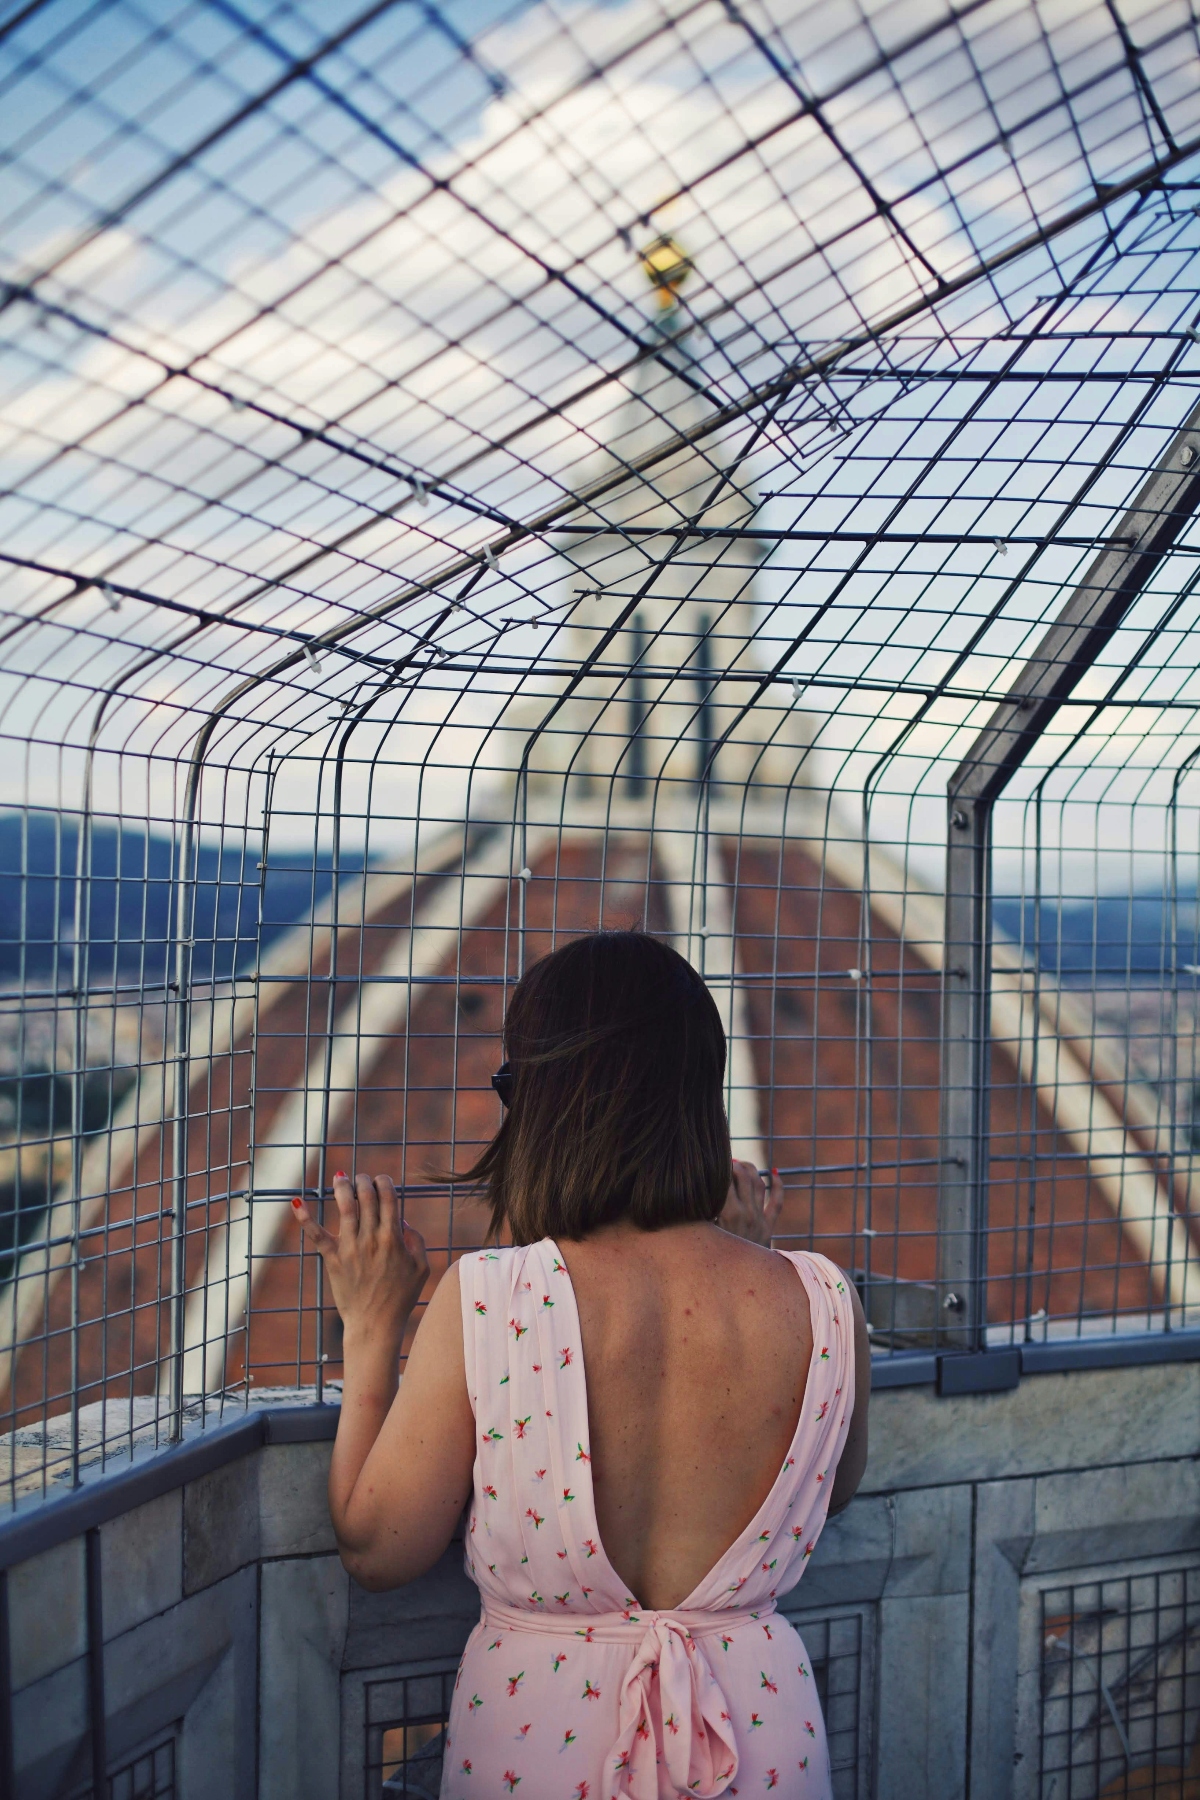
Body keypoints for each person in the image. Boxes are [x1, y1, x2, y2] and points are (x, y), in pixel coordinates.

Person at [293, 931, 870, 1799]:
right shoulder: (824, 1299)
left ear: (548, 1103)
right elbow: (832, 1487)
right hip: (760, 1741)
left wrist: (372, 1328)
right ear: (700, 1098)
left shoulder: (492, 1298)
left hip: (541, 1748)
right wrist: (753, 1258)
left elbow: (379, 1547)